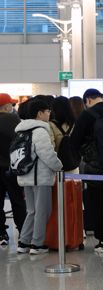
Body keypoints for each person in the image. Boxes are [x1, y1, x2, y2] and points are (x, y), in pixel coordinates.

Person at [71, 88, 103, 253]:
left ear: (88, 100)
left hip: (95, 166)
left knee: (97, 203)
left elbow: (75, 141)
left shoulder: (87, 115)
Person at [15, 99, 63, 255]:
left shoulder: (22, 130)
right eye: (47, 111)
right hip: (40, 177)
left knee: (31, 210)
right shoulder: (40, 131)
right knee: (42, 210)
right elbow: (47, 154)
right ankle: (37, 244)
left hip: (25, 175)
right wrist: (58, 167)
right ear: (39, 113)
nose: (49, 114)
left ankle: (23, 242)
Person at [0, 93, 25, 246]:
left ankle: (1, 233)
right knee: (17, 200)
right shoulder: (13, 120)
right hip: (11, 167)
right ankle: (23, 232)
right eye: (11, 104)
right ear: (6, 106)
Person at [50, 97, 78, 172]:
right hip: (74, 164)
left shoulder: (51, 125)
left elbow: (51, 147)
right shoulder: (75, 123)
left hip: (57, 168)